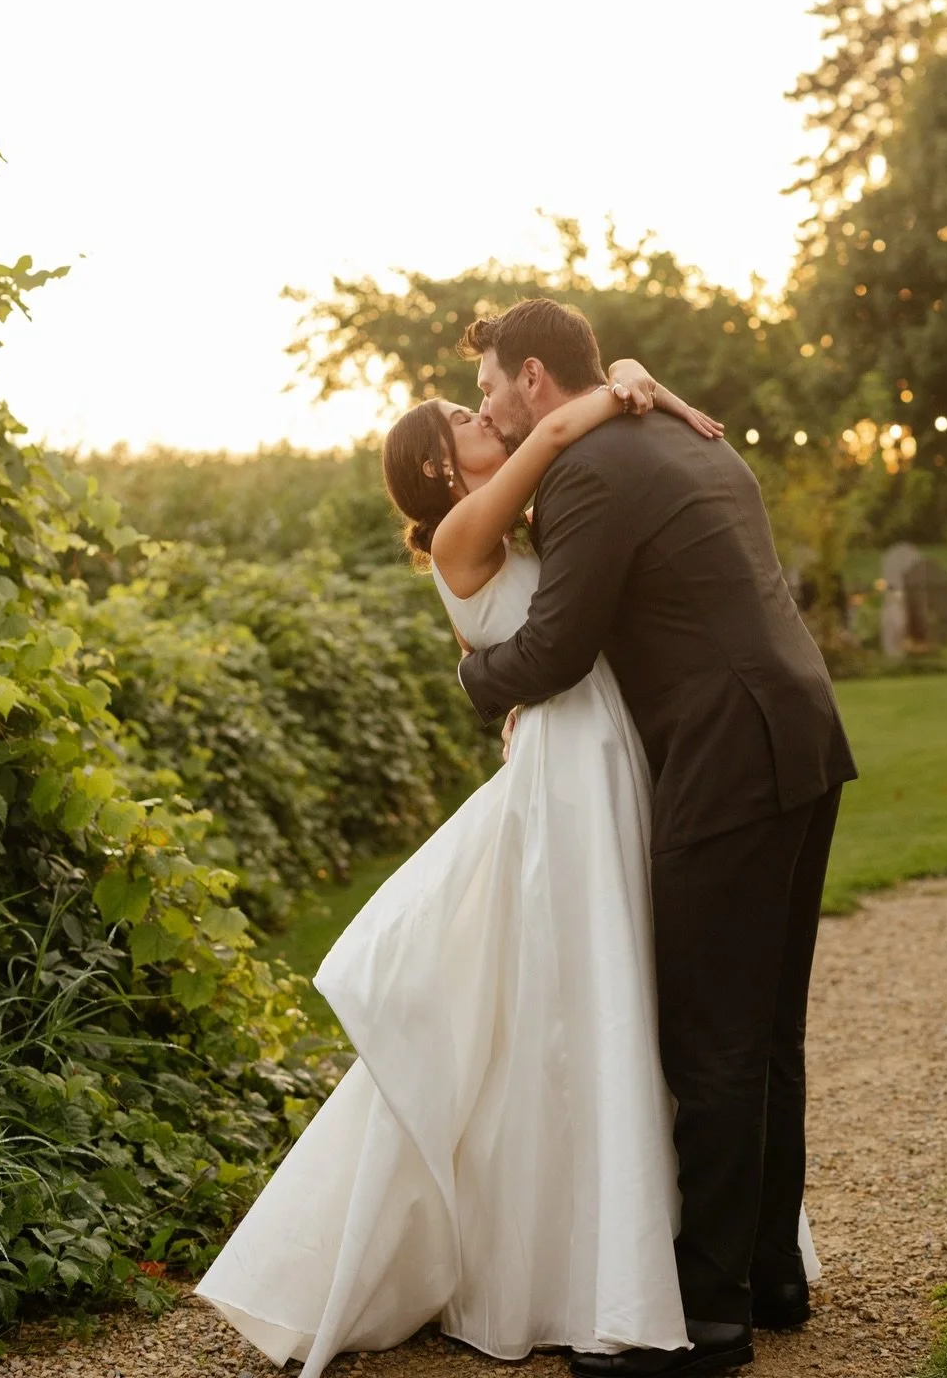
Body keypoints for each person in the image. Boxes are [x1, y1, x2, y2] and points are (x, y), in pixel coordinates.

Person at [196, 342, 817, 1378]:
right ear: (436, 467)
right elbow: (562, 424)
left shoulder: (518, 513)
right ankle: (613, 1270)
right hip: (573, 773)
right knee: (596, 996)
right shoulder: (462, 529)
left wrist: (632, 375)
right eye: (465, 416)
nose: (484, 415)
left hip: (615, 756)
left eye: (482, 397)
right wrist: (633, 381)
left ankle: (684, 1261)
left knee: (652, 995)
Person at [458, 299, 857, 1378]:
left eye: (490, 386)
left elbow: (555, 647)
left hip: (728, 758)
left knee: (710, 1040)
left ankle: (710, 1319)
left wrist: (474, 677)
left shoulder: (587, 473)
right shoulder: (684, 433)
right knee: (765, 1030)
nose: (487, 407)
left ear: (533, 377)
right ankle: (771, 1274)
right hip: (804, 733)